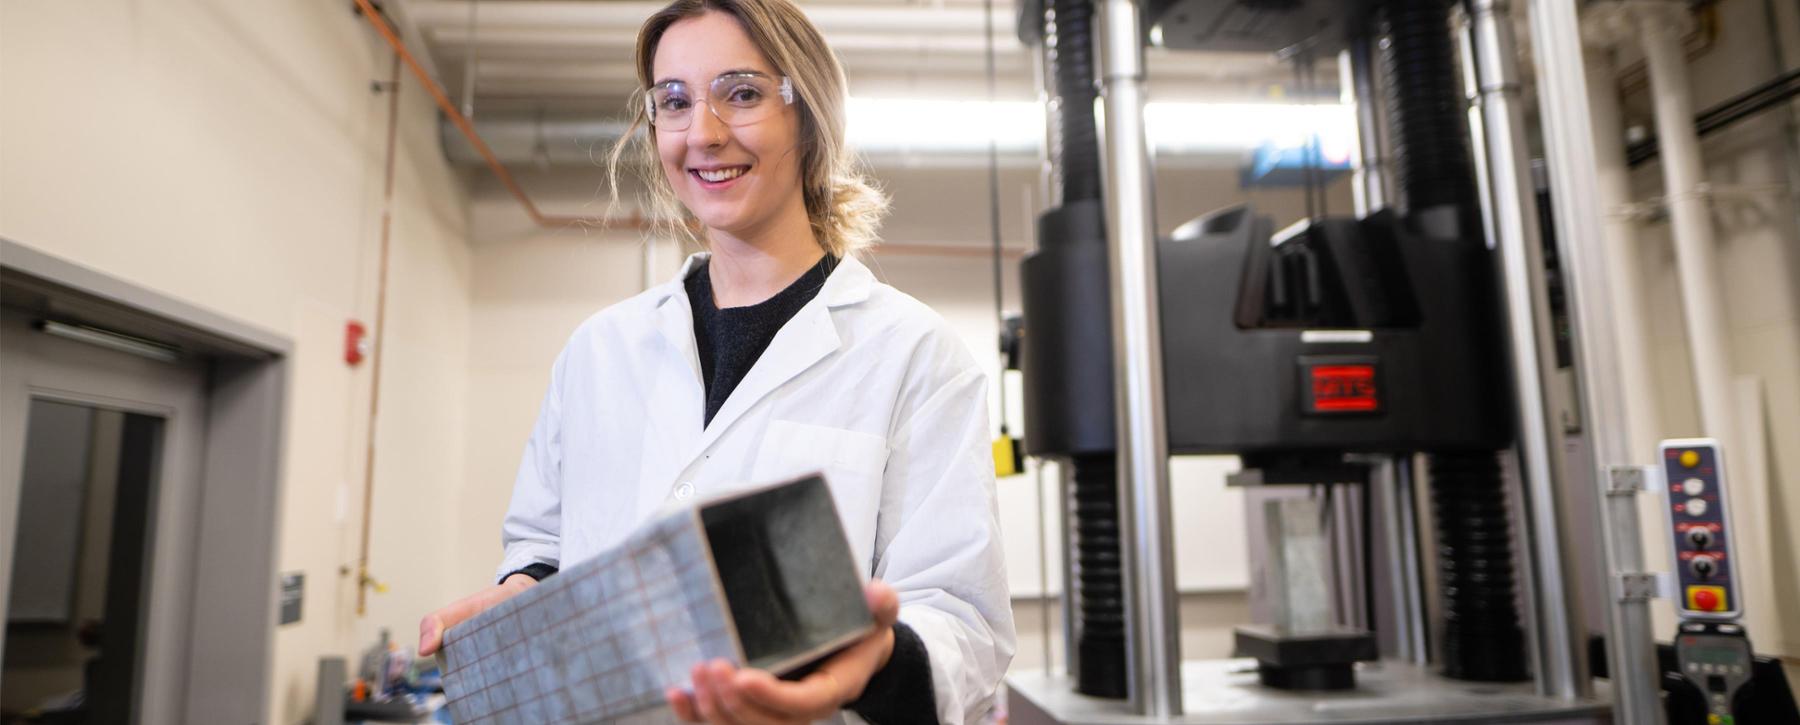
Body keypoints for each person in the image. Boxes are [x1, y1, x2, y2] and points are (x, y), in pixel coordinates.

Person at [415, 1, 1015, 722]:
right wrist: (524, 593)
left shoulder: (915, 355)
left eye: (742, 93)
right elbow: (545, 544)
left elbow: (965, 627)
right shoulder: (597, 352)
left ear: (807, 110)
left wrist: (877, 663)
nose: (703, 132)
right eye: (674, 102)